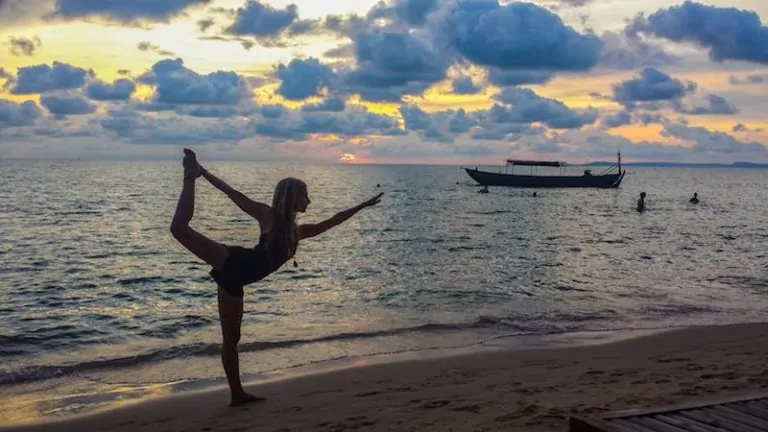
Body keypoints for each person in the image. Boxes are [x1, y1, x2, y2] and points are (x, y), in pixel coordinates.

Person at [170, 149, 383, 407]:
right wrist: (202, 173)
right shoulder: (266, 215)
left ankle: (237, 395)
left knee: (231, 339)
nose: (309, 201)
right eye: (305, 196)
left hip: (235, 281)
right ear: (293, 198)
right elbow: (232, 193)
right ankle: (189, 177)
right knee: (179, 229)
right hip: (232, 261)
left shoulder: (299, 231)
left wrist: (363, 205)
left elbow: (334, 221)